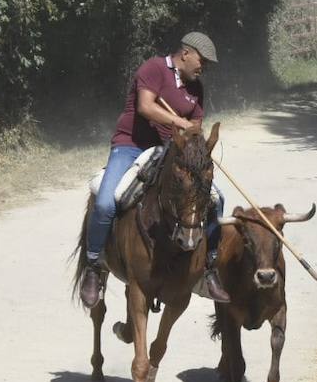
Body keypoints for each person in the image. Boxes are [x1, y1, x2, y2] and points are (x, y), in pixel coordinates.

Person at [79, 32, 229, 309]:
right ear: (186, 53)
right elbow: (146, 107)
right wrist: (179, 122)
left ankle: (209, 269)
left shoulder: (197, 88)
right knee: (104, 201)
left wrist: (198, 150)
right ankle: (92, 267)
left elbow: (195, 127)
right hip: (131, 145)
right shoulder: (153, 69)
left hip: (170, 150)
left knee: (217, 200)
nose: (203, 67)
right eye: (202, 61)